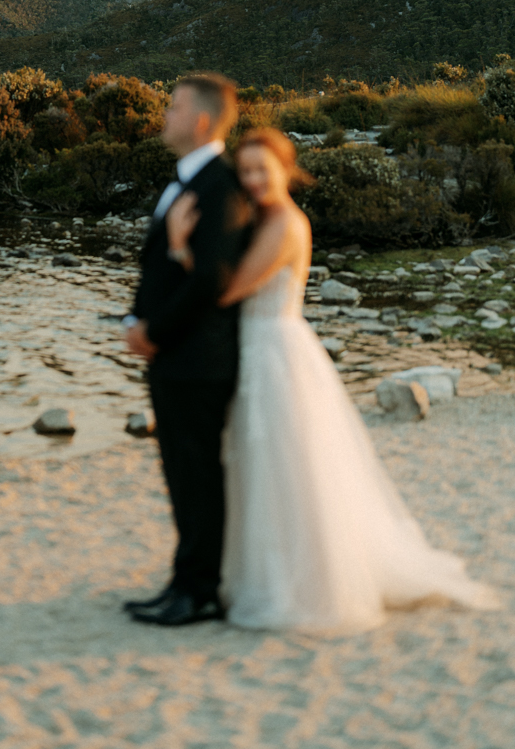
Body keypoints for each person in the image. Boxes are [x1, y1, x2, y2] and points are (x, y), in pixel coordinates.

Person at [164, 125, 498, 631]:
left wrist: (179, 248)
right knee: (260, 464)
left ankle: (299, 582)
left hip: (274, 350)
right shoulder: (264, 217)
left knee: (285, 464)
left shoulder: (283, 225)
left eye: (262, 169)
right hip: (260, 347)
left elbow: (228, 292)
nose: (252, 179)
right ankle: (258, 573)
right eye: (245, 170)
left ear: (286, 171)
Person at [123, 73, 247, 626]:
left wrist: (154, 332)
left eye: (172, 107)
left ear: (200, 120)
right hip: (177, 355)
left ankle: (197, 590)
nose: (164, 116)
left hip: (197, 358)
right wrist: (134, 316)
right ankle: (181, 579)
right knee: (180, 472)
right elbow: (161, 268)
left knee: (197, 476)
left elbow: (211, 281)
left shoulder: (222, 186)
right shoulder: (185, 181)